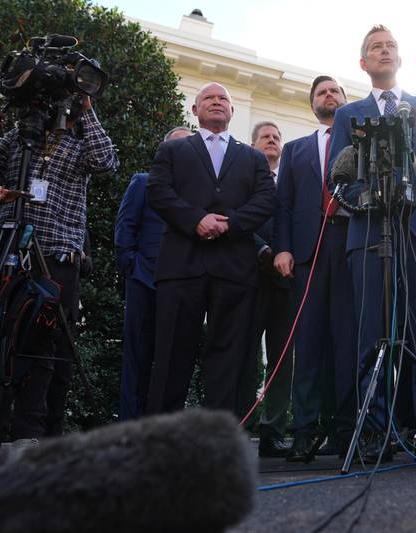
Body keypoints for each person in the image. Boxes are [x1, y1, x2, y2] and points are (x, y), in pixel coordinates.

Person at [328, 25, 416, 462]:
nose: (383, 51)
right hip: (369, 235)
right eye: (375, 48)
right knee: (371, 335)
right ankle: (375, 431)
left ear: (400, 59)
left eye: (390, 46)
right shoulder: (349, 115)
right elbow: (337, 179)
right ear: (364, 63)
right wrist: (364, 198)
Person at [0, 96, 118, 444]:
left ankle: (29, 434)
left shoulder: (81, 137)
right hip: (7, 244)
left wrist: (85, 107)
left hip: (56, 253)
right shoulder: (21, 136)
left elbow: (105, 161)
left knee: (43, 346)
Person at [146, 82, 275, 415]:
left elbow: (265, 200)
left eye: (223, 99)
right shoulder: (173, 151)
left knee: (227, 359)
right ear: (194, 110)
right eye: (209, 98)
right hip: (182, 267)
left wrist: (229, 223)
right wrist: (197, 220)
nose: (217, 102)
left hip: (234, 270)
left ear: (232, 111)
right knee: (172, 356)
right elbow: (159, 192)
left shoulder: (253, 157)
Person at [273, 76, 357, 462]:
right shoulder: (294, 150)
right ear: (313, 104)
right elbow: (283, 205)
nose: (329, 96)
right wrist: (283, 249)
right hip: (306, 253)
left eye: (335, 91)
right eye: (322, 92)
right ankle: (304, 431)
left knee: (347, 342)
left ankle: (344, 430)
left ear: (345, 101)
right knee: (306, 345)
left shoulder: (362, 143)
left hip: (350, 246)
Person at [114, 126, 191, 420]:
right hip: (144, 281)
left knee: (174, 361)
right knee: (138, 359)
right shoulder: (143, 183)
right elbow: (125, 229)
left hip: (183, 286)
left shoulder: (199, 194)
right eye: (177, 147)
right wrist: (131, 266)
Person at [243, 121, 295, 458]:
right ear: (253, 145)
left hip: (287, 281)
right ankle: (240, 424)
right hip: (249, 277)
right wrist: (263, 251)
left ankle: (273, 430)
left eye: (277, 136)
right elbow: (234, 218)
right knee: (246, 355)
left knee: (282, 358)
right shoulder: (241, 176)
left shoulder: (290, 182)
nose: (273, 140)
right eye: (266, 136)